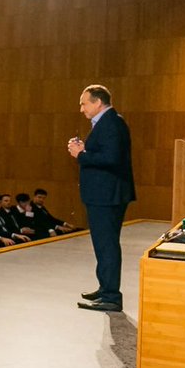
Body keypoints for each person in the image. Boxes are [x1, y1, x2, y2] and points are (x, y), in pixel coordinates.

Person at [69, 84, 134, 312]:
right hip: (105, 193)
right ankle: (106, 287)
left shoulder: (111, 123)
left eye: (84, 103)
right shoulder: (109, 122)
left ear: (98, 102)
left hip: (106, 195)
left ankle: (111, 296)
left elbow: (112, 158)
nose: (81, 109)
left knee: (106, 245)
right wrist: (86, 149)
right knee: (104, 244)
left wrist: (82, 155)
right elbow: (107, 153)